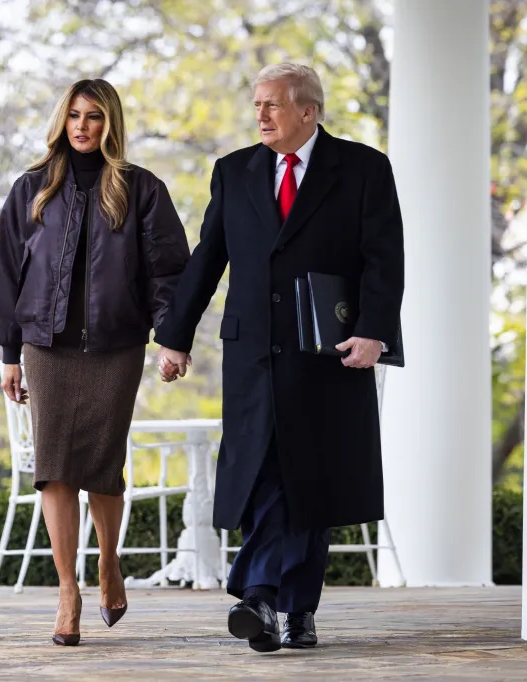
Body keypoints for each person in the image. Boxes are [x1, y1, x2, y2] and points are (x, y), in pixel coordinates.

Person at [154, 63, 403, 652]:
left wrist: (374, 331)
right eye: (257, 104)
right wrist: (175, 336)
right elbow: (207, 258)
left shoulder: (364, 168)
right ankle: (284, 608)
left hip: (327, 353)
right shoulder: (234, 171)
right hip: (252, 355)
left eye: (273, 105)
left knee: (307, 480)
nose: (260, 115)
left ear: (308, 110)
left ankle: (269, 600)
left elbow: (384, 257)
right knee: (266, 475)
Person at [0, 78, 190, 646]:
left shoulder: (141, 189)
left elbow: (170, 272)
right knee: (53, 466)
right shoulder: (32, 188)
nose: (82, 125)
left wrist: (172, 340)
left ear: (110, 124)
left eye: (94, 116)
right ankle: (67, 592)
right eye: (74, 115)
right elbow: (5, 275)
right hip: (45, 349)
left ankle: (108, 562)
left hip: (115, 347)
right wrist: (9, 354)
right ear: (62, 119)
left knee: (102, 466)